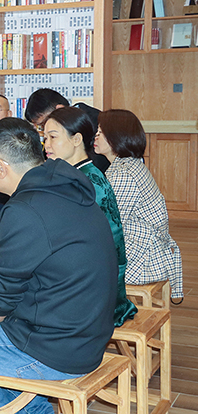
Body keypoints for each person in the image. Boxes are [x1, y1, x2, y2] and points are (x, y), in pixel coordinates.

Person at [0, 118, 118, 414]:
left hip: (58, 349)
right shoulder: (66, 188)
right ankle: (31, 405)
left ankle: (32, 411)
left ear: (1, 167)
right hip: (90, 334)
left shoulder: (24, 210)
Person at [43, 106, 137, 326]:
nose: (46, 144)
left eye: (53, 137)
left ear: (76, 139)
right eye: (44, 137)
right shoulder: (78, 173)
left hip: (96, 288)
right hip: (88, 274)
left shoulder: (87, 182)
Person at [95, 109, 183, 300]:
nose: (96, 136)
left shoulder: (123, 174)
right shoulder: (129, 164)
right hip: (147, 250)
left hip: (142, 260)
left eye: (101, 132)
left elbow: (110, 225)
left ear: (116, 137)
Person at [24, 88, 110, 173]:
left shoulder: (97, 122)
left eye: (44, 123)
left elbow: (98, 162)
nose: (46, 127)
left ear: (59, 109)